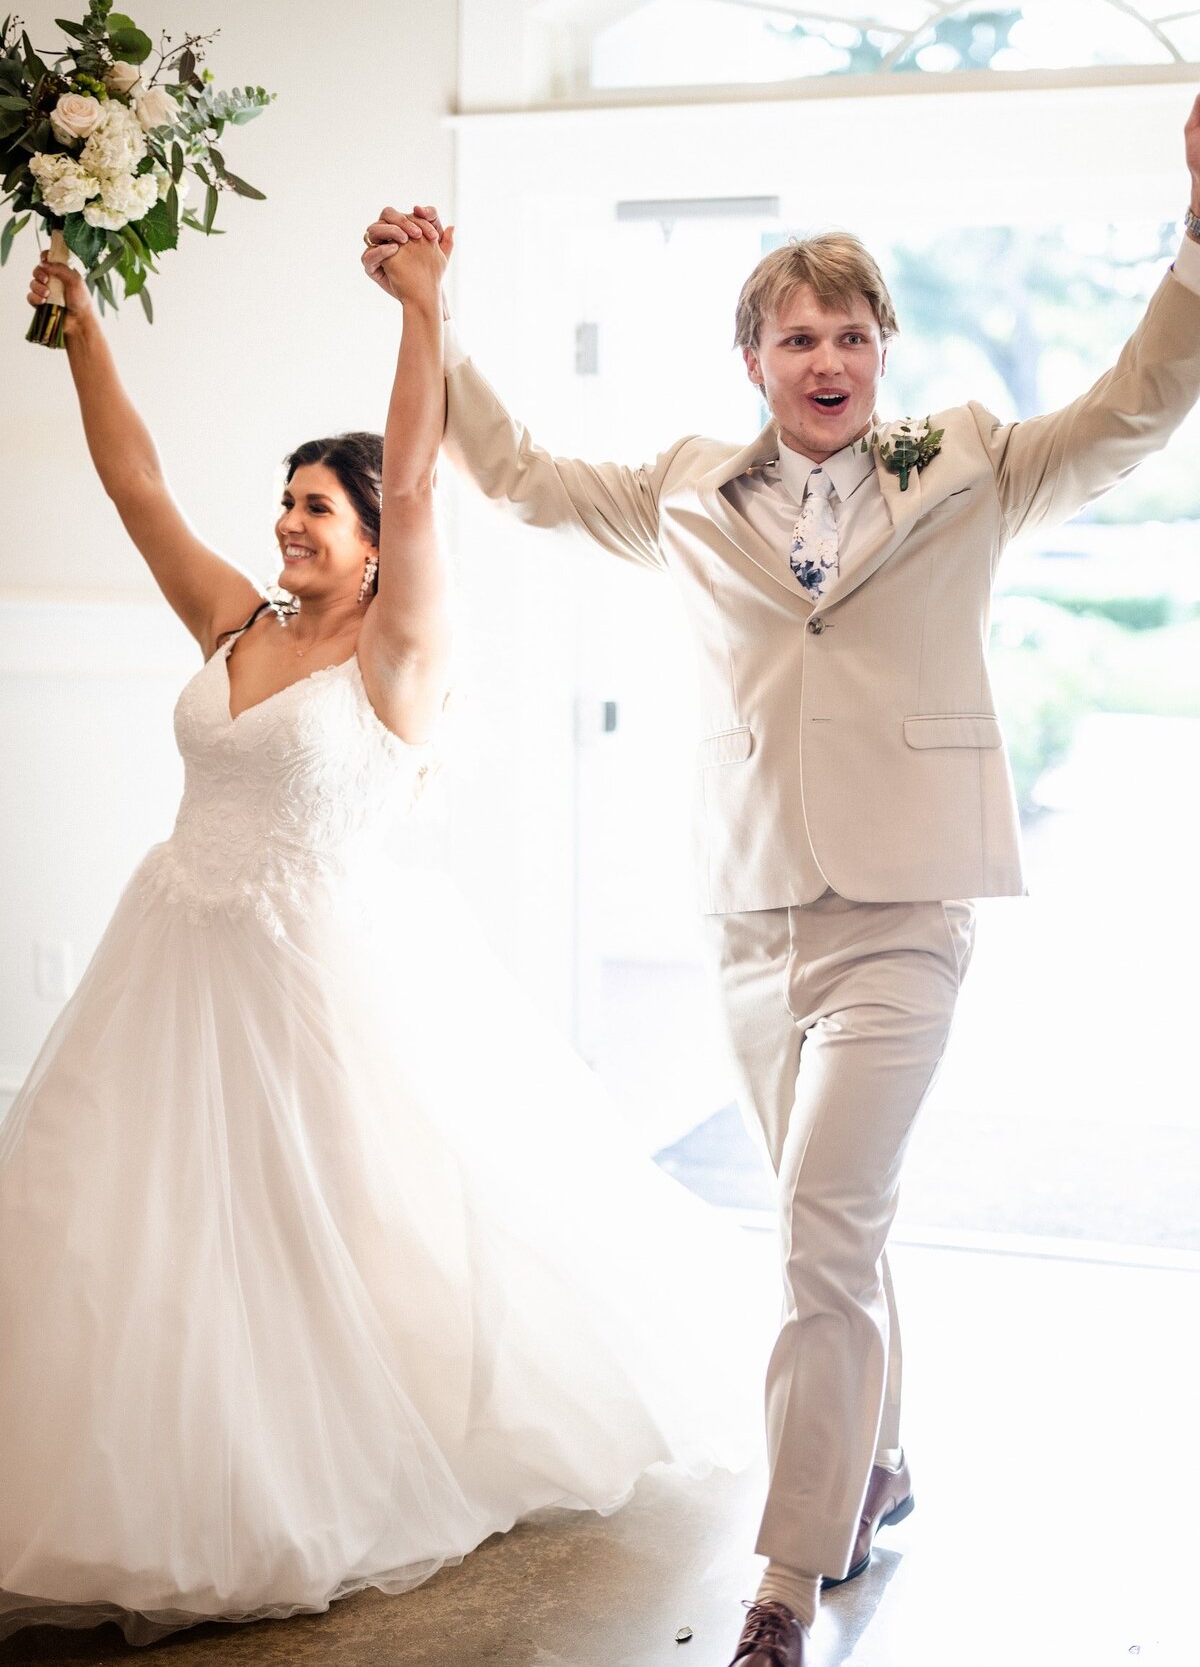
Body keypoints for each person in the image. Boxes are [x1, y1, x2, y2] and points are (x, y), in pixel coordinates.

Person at [370, 92, 1200, 1666]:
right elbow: (526, 478)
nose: (827, 361)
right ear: (751, 361)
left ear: (884, 350)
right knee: (845, 1226)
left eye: (852, 335)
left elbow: (1136, 409)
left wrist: (1199, 244)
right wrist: (435, 313)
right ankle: (879, 1459)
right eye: (797, 336)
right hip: (750, 915)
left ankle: (782, 1583)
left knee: (818, 1221)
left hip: (906, 911)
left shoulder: (969, 467)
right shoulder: (688, 490)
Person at [0, 219, 761, 1645]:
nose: (290, 522)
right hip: (168, 958)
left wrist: (425, 307)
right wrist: (81, 329)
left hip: (307, 978)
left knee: (325, 1229)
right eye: (285, 500)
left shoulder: (397, 660)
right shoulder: (234, 626)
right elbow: (134, 484)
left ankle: (332, 1447)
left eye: (318, 510)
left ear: (368, 547)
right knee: (133, 1226)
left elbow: (417, 481)